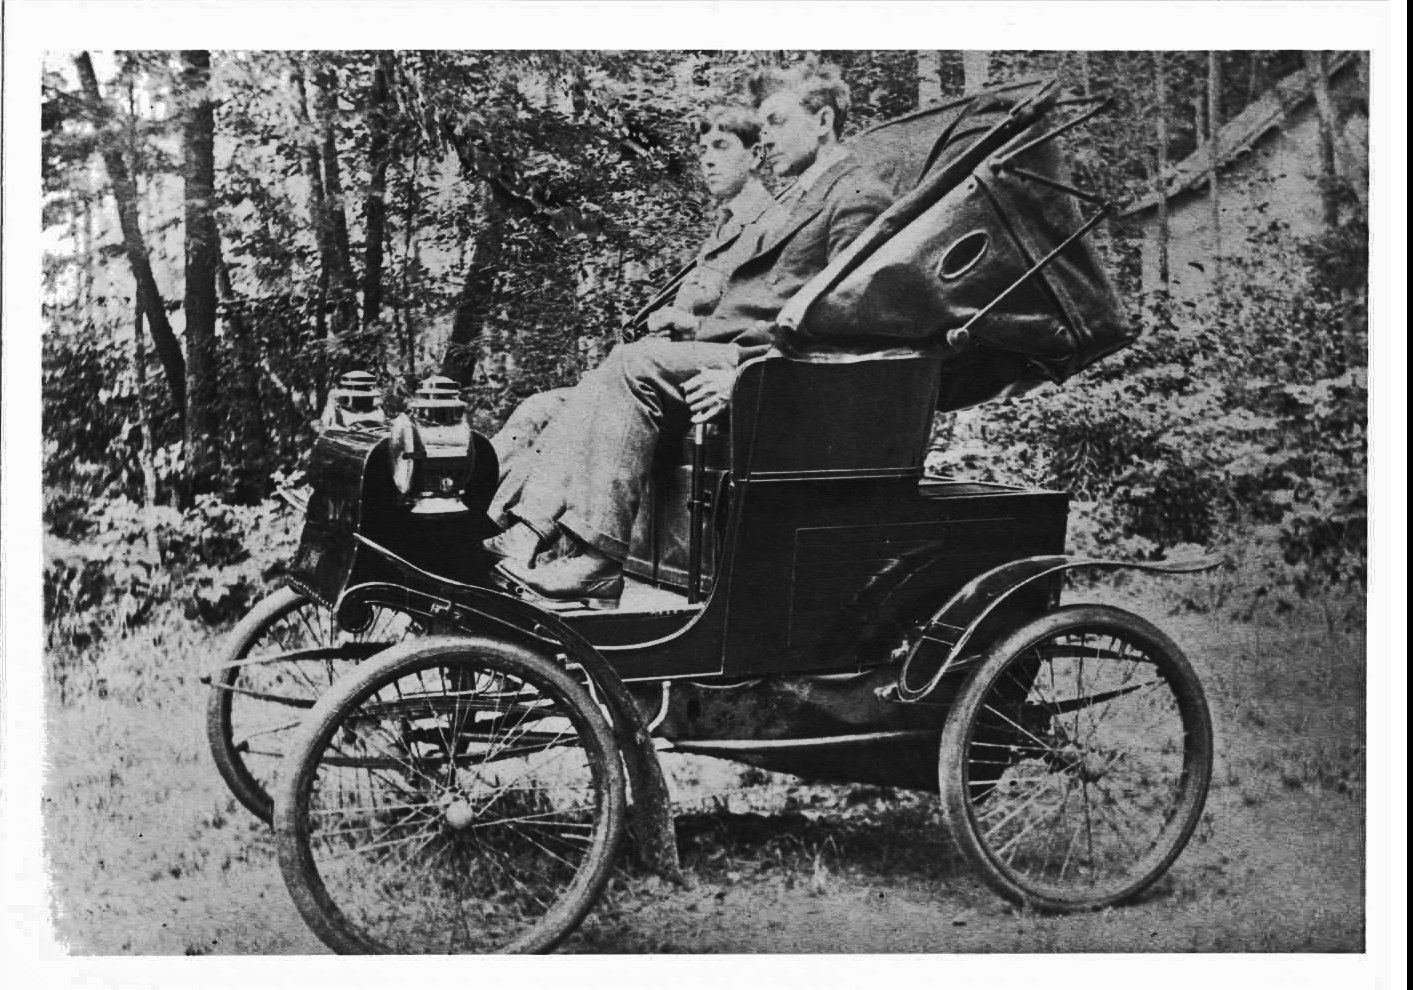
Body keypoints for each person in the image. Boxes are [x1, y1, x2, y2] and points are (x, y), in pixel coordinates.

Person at [495, 62, 895, 607]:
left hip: (768, 378)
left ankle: (593, 556)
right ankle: (510, 530)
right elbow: (755, 299)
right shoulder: (801, 197)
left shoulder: (858, 195)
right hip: (720, 357)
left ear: (823, 120)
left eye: (776, 122)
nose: (768, 137)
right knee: (558, 402)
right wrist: (697, 330)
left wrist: (745, 371)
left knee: (635, 362)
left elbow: (849, 318)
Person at [486, 103, 778, 537]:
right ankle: (481, 520)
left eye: (722, 146)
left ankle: (520, 531)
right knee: (537, 408)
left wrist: (689, 326)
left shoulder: (771, 227)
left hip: (698, 388)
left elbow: (756, 321)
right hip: (666, 377)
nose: (708, 159)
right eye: (702, 149)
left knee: (572, 416)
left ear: (756, 156)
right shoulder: (722, 230)